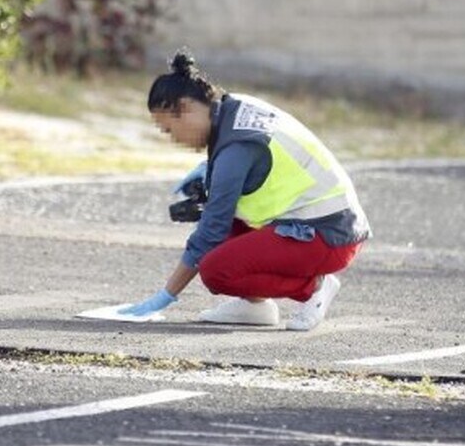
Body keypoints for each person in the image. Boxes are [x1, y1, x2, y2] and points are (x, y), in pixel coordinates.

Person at [119, 50, 371, 331]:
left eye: (170, 129)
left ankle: (314, 289)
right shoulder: (233, 108)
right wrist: (209, 176)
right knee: (225, 235)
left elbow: (210, 231)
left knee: (215, 269)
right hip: (330, 224)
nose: (173, 139)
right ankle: (254, 305)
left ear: (187, 108)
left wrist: (166, 295)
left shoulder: (235, 148)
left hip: (328, 235)